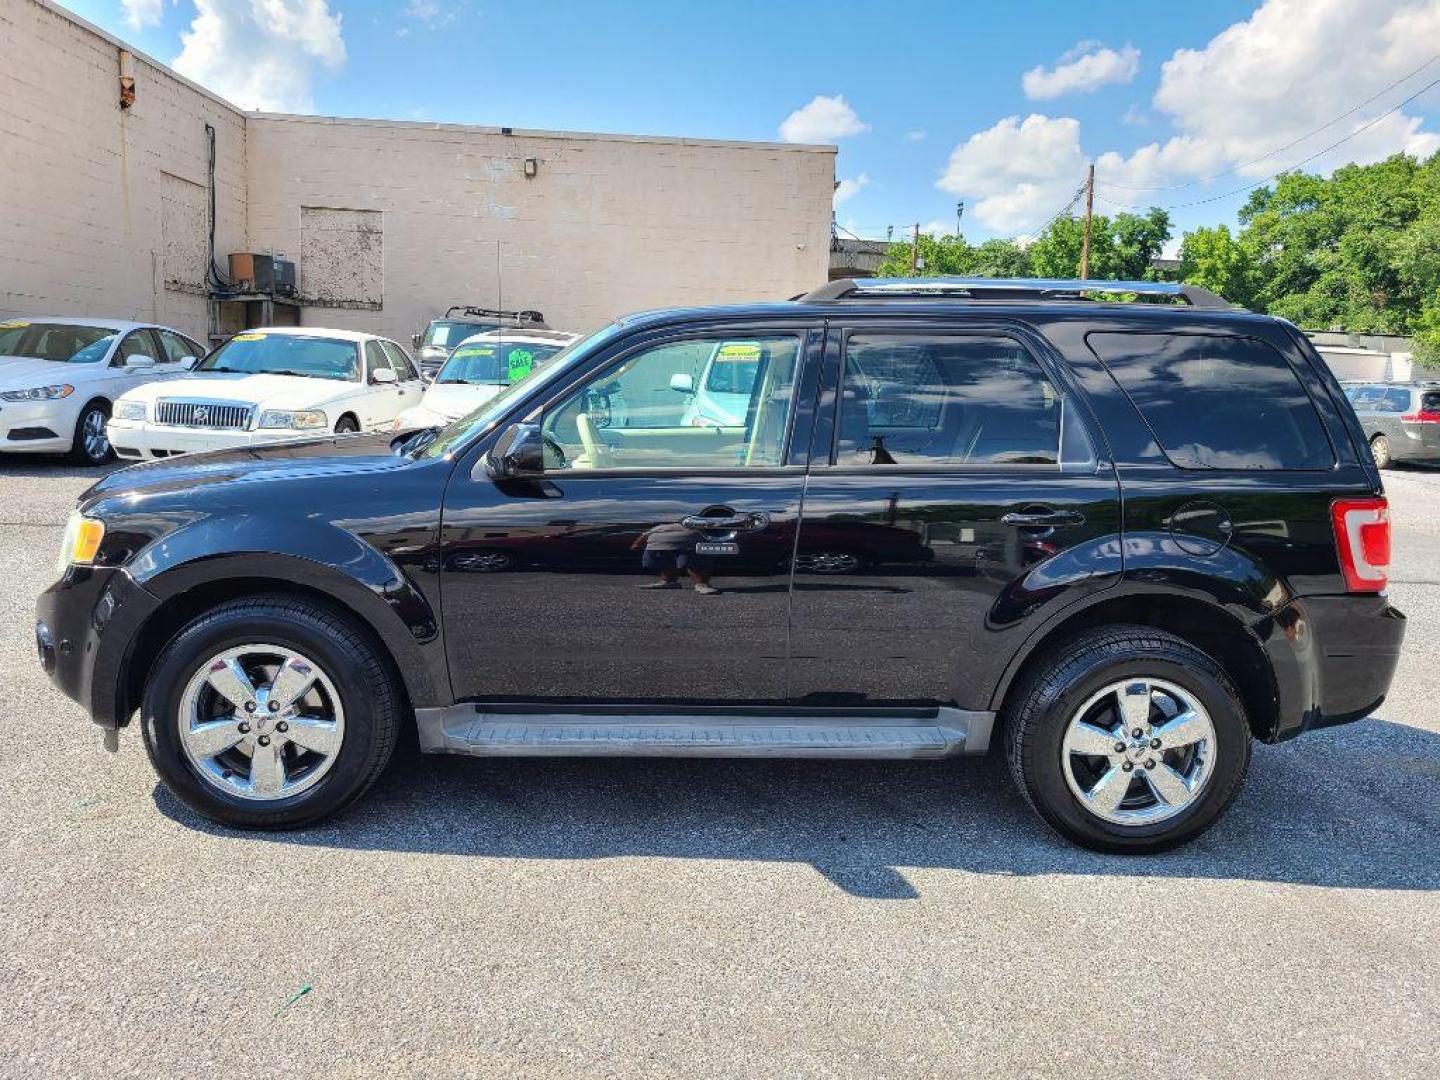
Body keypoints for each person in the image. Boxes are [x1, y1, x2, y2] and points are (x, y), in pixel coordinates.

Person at [631, 521, 719, 594]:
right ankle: (669, 581)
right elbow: (645, 534)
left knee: (691, 563)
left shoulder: (697, 524)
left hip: (688, 545)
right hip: (659, 546)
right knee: (664, 562)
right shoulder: (660, 527)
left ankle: (701, 584)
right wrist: (636, 544)